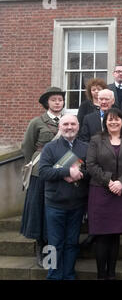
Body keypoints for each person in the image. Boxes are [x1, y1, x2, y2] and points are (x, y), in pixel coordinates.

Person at [86, 108, 122, 280]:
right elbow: (91, 164)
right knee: (102, 235)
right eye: (110, 119)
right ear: (105, 122)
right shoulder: (96, 140)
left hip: (121, 194)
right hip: (100, 192)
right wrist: (109, 181)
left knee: (115, 234)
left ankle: (112, 273)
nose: (113, 122)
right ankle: (101, 274)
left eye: (117, 119)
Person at [39, 114, 89, 280]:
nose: (69, 127)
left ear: (78, 126)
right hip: (54, 204)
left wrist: (80, 174)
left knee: (71, 243)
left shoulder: (85, 147)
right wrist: (67, 172)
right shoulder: (49, 147)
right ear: (60, 127)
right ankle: (53, 276)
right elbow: (43, 172)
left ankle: (68, 275)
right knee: (53, 244)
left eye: (72, 124)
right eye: (66, 124)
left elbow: (91, 172)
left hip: (76, 204)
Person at [20, 87, 65, 268]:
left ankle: (55, 249)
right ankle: (41, 247)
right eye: (53, 100)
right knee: (39, 210)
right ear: (47, 103)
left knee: (55, 213)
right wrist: (40, 163)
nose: (57, 102)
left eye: (60, 100)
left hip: (62, 172)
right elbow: (27, 147)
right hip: (40, 173)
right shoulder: (37, 122)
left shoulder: (68, 122)